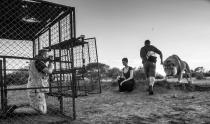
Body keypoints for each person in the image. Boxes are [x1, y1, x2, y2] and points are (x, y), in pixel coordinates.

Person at [27, 49, 54, 114]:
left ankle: (18, 110)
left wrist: (47, 61)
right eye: (47, 54)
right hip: (36, 87)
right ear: (43, 54)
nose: (48, 56)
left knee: (36, 106)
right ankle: (15, 111)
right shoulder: (38, 62)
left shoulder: (36, 61)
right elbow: (49, 71)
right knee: (42, 111)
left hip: (35, 86)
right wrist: (51, 63)